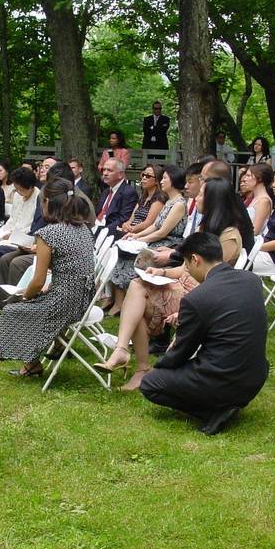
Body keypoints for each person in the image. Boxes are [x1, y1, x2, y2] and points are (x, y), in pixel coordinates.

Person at [96, 177, 249, 390]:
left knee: (138, 294)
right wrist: (162, 271)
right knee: (137, 287)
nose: (197, 197)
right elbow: (188, 268)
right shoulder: (206, 228)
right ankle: (127, 355)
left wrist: (171, 277)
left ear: (214, 200)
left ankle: (135, 364)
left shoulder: (229, 237)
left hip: (201, 297)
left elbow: (214, 279)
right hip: (185, 286)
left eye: (203, 194)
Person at [138, 232, 269, 435]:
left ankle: (211, 411)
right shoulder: (251, 280)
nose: (187, 271)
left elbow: (181, 353)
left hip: (219, 378)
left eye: (186, 266)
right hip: (255, 377)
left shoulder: (197, 298)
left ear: (195, 260)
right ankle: (224, 405)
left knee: (150, 384)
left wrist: (160, 365)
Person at [0, 178, 96, 377]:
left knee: (13, 310)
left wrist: (25, 295)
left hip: (64, 303)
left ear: (47, 203)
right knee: (29, 302)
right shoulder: (83, 228)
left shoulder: (48, 234)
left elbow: (38, 280)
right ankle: (52, 348)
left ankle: (31, 364)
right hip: (84, 300)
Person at [106, 165, 187, 316]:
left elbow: (163, 232)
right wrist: (135, 237)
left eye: (164, 178)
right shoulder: (170, 201)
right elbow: (156, 225)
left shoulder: (179, 204)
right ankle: (118, 301)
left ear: (174, 181)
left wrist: (142, 240)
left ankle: (129, 303)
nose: (161, 181)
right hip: (157, 240)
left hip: (168, 244)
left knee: (132, 258)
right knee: (122, 253)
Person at [0, 166, 40, 290]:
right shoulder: (17, 196)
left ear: (30, 187)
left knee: (0, 246)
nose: (19, 192)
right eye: (17, 189)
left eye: (21, 190)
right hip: (11, 230)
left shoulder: (38, 197)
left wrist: (12, 234)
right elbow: (13, 218)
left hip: (25, 236)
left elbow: (33, 225)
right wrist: (3, 231)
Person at [117, 164, 166, 239]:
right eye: (143, 175)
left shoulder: (159, 199)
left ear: (157, 181)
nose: (144, 178)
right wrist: (125, 225)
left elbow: (148, 224)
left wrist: (130, 230)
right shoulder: (142, 198)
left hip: (142, 236)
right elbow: (131, 219)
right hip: (130, 232)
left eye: (148, 176)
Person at [94, 158, 139, 238]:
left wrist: (102, 231)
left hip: (109, 233)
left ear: (120, 174)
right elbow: (98, 213)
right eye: (104, 170)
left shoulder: (129, 192)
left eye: (109, 170)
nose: (105, 173)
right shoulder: (106, 191)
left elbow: (124, 218)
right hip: (96, 227)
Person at [242, 163, 274, 234]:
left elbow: (255, 231)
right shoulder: (254, 198)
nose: (244, 179)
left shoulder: (264, 201)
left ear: (259, 178)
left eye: (248, 176)